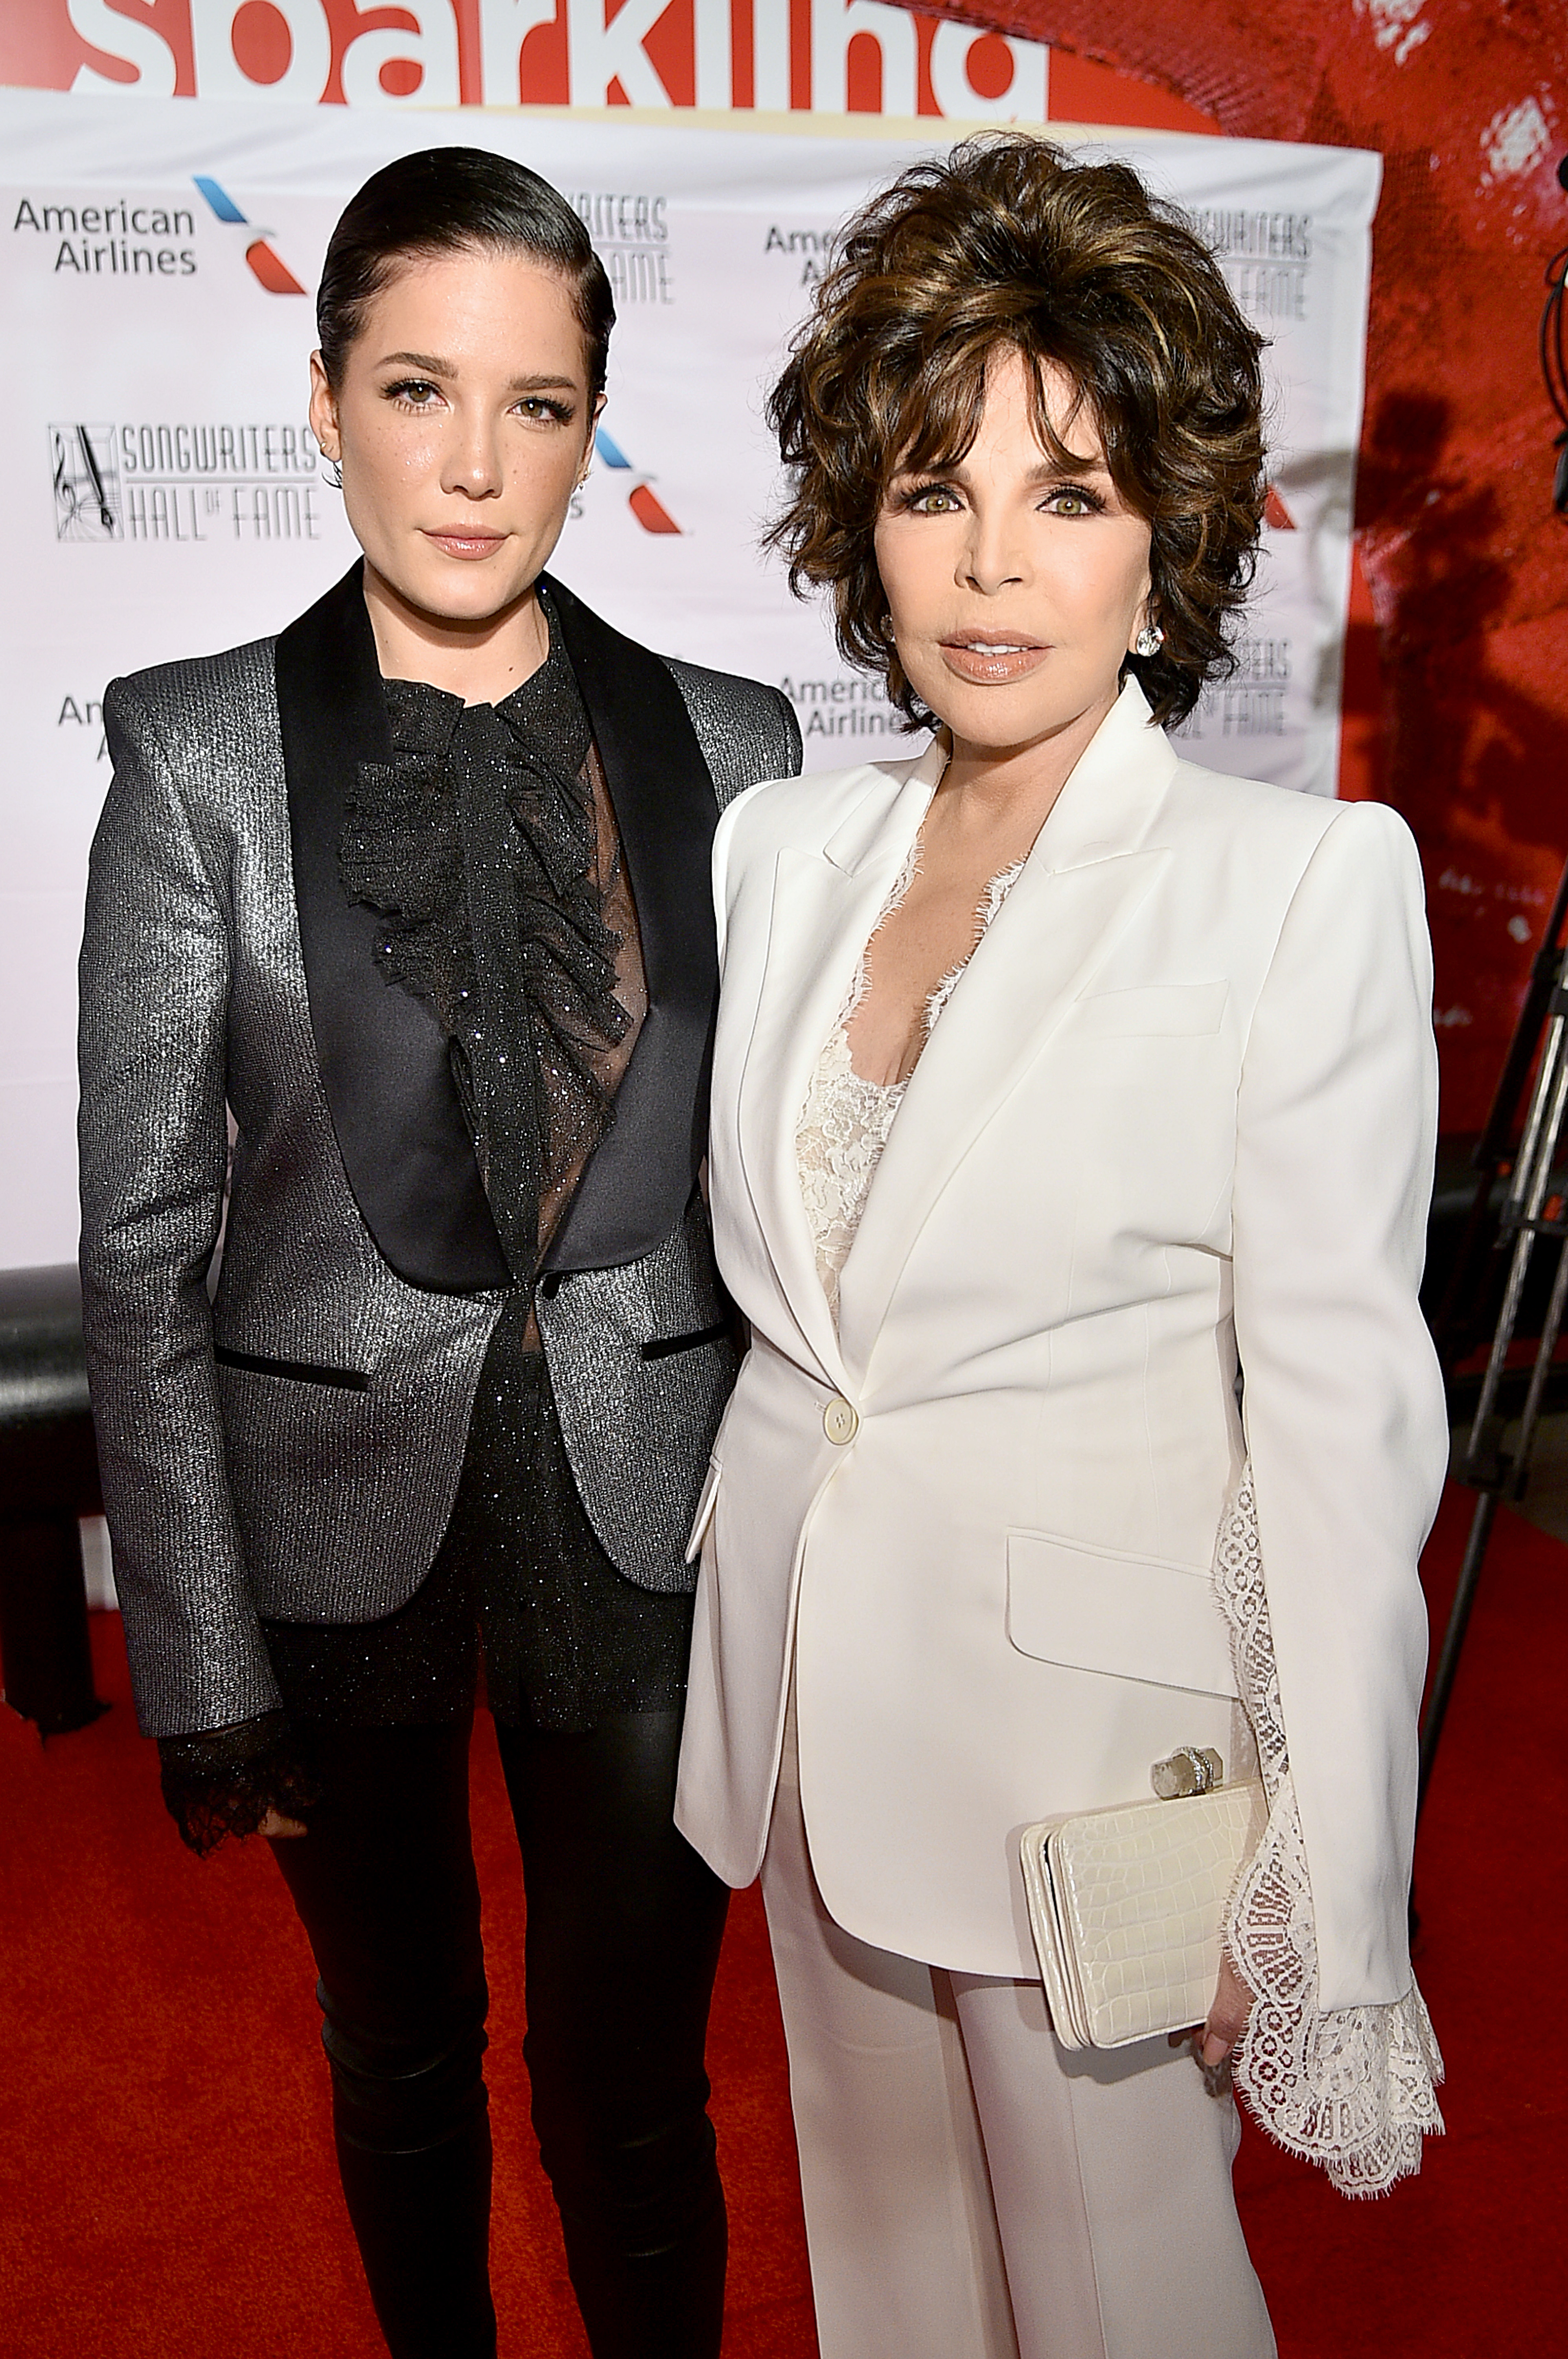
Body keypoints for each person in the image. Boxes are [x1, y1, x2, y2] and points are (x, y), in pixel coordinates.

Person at [674, 136, 1447, 2359]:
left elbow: (1333, 1433)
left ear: (1165, 537)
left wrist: (1314, 1884)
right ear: (860, 523)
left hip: (1096, 1781)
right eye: (934, 493)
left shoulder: (1292, 887)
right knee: (888, 2297)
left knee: (1130, 2317)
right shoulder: (782, 851)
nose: (990, 566)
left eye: (1068, 493)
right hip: (810, 1726)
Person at [77, 146, 800, 2359]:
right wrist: (197, 1662)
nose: (475, 467)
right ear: (322, 401)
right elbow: (143, 1240)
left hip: (648, 1505)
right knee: (398, 2059)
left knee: (631, 2087)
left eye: (539, 405)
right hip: (323, 1526)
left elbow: (791, 1201)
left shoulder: (740, 747)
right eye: (415, 388)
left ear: (595, 425)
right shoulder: (196, 750)